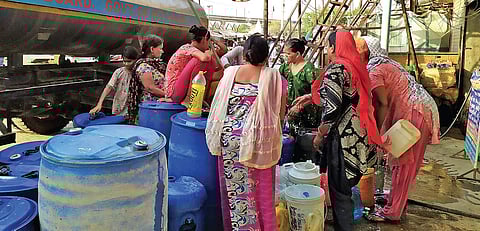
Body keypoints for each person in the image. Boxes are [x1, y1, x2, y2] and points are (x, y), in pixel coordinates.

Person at [205, 34, 287, 231]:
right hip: (259, 142)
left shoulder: (230, 73)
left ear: (245, 54)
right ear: (266, 56)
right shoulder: (275, 77)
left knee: (236, 192)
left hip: (228, 140)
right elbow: (280, 114)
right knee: (261, 192)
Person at [356, 36, 440, 222]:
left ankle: (393, 212)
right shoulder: (386, 63)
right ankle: (396, 202)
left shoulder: (375, 70)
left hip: (414, 113)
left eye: (358, 48)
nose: (355, 51)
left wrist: (376, 133)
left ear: (367, 51)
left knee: (404, 163)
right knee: (400, 161)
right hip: (419, 109)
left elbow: (383, 104)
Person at [311, 31, 382, 231]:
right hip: (359, 135)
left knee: (340, 192)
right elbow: (351, 100)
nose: (326, 49)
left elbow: (332, 109)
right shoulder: (355, 68)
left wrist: (319, 134)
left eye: (327, 45)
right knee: (345, 189)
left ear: (333, 47)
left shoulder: (336, 69)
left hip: (343, 139)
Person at [165, 25, 226, 103]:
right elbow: (204, 58)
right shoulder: (187, 48)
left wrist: (213, 41)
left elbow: (223, 50)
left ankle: (201, 99)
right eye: (208, 42)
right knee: (201, 61)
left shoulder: (197, 51)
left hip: (180, 88)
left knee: (210, 61)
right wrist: (208, 53)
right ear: (204, 40)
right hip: (174, 91)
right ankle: (190, 100)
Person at [126, 34, 167, 124]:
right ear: (152, 49)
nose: (162, 51)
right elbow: (150, 88)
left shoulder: (154, 65)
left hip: (157, 107)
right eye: (160, 48)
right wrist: (169, 96)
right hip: (150, 108)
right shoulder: (144, 67)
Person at [90, 46, 140, 116]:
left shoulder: (139, 73)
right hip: (119, 107)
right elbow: (109, 87)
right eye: (124, 61)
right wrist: (99, 104)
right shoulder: (119, 72)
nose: (126, 64)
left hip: (133, 107)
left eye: (129, 61)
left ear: (136, 60)